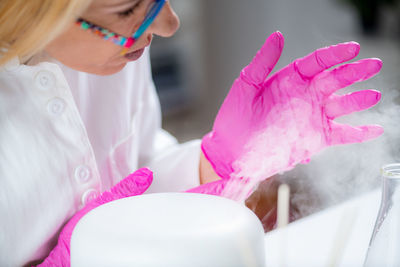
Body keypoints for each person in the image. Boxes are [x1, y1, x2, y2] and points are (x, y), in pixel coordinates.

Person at [0, 0, 383, 265]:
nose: (167, 25)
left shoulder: (118, 53)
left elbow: (138, 169)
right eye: (129, 9)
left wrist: (216, 161)